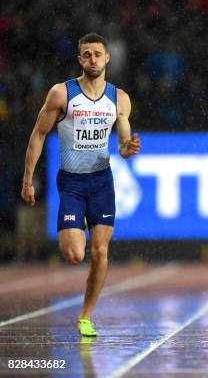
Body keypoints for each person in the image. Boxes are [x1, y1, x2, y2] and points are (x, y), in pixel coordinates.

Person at [21, 32, 140, 336]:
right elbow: (38, 134)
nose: (92, 60)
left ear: (107, 58)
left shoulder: (119, 98)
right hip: (72, 183)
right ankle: (77, 230)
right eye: (86, 55)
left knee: (100, 252)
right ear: (79, 59)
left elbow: (125, 140)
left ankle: (85, 316)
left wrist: (127, 149)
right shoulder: (62, 94)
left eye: (97, 54)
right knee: (75, 255)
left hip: (102, 182)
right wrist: (28, 180)